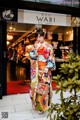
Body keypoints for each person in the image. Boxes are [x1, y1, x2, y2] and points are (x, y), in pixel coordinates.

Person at [29, 28, 56, 114]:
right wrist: (34, 55)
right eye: (37, 37)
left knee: (44, 88)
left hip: (44, 69)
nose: (38, 39)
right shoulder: (35, 45)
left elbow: (51, 57)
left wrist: (48, 66)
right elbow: (31, 54)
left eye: (40, 37)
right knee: (35, 88)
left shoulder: (49, 46)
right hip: (36, 69)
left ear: (43, 36)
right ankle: (37, 106)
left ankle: (43, 106)